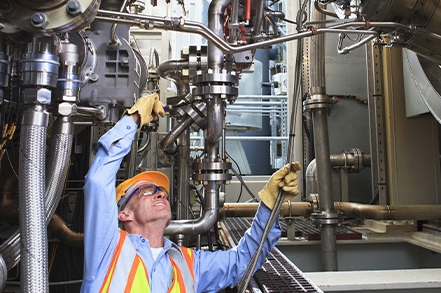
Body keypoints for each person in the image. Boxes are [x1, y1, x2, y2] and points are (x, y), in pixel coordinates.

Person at [82, 93, 301, 293]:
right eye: (147, 191)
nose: (160, 194)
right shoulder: (108, 249)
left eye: (162, 192)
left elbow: (242, 262)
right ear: (124, 214)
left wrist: (270, 205)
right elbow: (98, 180)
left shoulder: (187, 263)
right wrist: (133, 120)